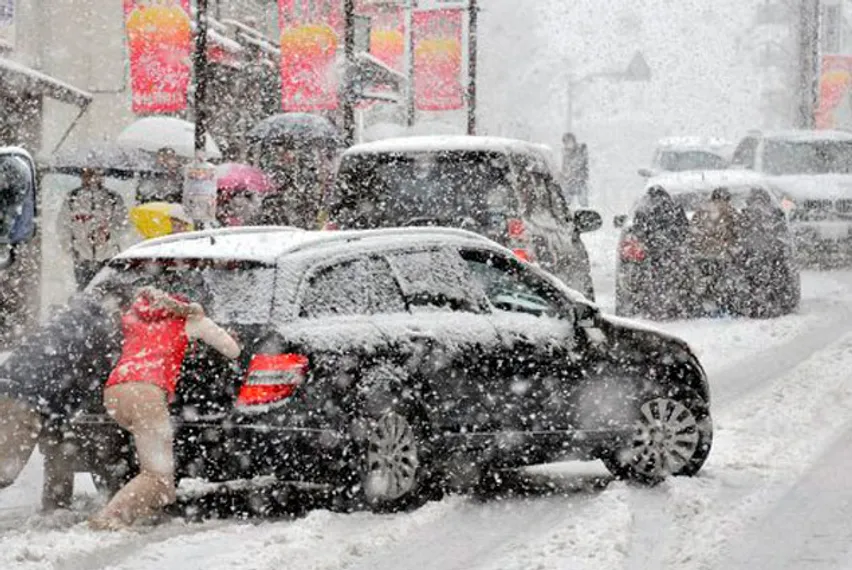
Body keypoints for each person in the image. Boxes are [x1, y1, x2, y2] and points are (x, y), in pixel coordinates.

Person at [88, 286, 240, 530]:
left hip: (115, 391)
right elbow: (233, 350)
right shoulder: (190, 319)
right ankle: (110, 517)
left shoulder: (131, 316)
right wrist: (207, 325)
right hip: (147, 393)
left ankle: (142, 513)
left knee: (158, 477)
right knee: (158, 478)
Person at [0, 281, 130, 510]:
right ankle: (55, 508)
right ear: (115, 305)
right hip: (22, 398)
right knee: (4, 472)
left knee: (62, 449)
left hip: (45, 403)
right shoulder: (95, 324)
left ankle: (55, 511)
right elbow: (94, 375)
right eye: (125, 311)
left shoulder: (73, 315)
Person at [57, 168, 128, 289]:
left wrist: (109, 234)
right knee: (84, 292)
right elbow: (63, 226)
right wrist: (72, 250)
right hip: (83, 258)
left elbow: (123, 225)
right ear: (82, 176)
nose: (92, 179)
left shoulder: (113, 198)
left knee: (109, 292)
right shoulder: (73, 198)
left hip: (108, 257)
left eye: (96, 174)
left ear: (102, 176)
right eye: (88, 174)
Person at [632, 185, 693, 318]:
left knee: (655, 281)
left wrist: (648, 243)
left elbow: (638, 231)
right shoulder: (675, 208)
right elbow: (684, 229)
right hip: (673, 251)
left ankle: (657, 309)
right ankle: (674, 307)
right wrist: (676, 242)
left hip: (653, 252)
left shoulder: (643, 210)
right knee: (674, 279)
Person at [691, 187, 739, 314]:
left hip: (709, 256)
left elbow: (693, 234)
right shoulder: (729, 215)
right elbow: (736, 236)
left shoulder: (702, 213)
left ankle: (711, 303)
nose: (725, 205)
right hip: (715, 256)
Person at [561, 133, 590, 207]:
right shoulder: (565, 153)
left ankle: (584, 211)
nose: (567, 144)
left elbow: (580, 163)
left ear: (573, 141)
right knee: (566, 201)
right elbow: (564, 166)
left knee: (583, 201)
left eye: (568, 141)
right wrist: (564, 175)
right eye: (565, 143)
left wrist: (572, 172)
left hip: (580, 180)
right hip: (569, 181)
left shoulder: (581, 150)